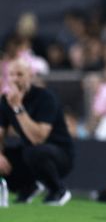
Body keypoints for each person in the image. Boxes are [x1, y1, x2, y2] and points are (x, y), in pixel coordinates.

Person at [0, 58, 73, 206]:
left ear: (30, 76)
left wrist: (18, 108)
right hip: (30, 153)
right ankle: (27, 187)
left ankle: (58, 190)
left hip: (59, 155)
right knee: (14, 155)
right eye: (11, 75)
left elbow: (38, 138)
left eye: (20, 74)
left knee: (34, 151)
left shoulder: (45, 97)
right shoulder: (5, 100)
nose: (15, 79)